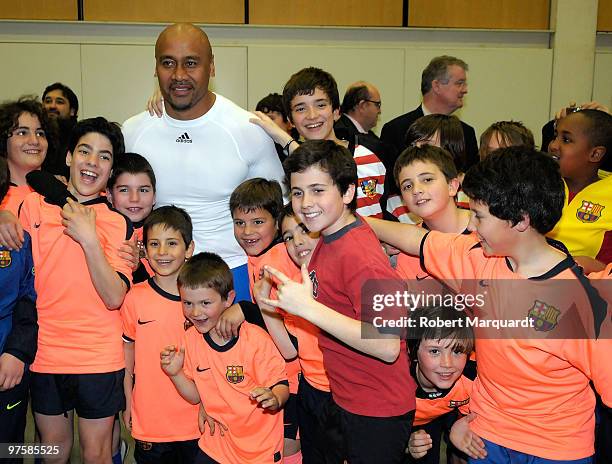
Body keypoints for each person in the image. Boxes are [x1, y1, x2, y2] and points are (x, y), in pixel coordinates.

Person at [365, 147, 611, 463]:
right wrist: (350, 222)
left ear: (519, 221)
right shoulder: (480, 260)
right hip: (486, 439)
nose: (472, 225)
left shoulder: (584, 303)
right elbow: (416, 240)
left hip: (556, 450)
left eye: (479, 216)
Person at [261, 140, 415, 464]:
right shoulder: (328, 237)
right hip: (346, 398)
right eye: (298, 192)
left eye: (318, 190)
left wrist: (308, 308)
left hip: (377, 410)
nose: (305, 203)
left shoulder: (358, 254)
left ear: (347, 193)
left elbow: (387, 344)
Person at [122, 22, 284, 303]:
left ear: (211, 67)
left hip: (234, 274)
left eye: (191, 63)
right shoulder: (134, 130)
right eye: (168, 63)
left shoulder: (246, 129)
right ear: (155, 67)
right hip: (157, 275)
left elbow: (280, 210)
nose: (179, 75)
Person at [20, 117, 132, 464]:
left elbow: (114, 297)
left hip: (98, 356)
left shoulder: (116, 222)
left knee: (97, 453)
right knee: (51, 450)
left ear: (111, 170)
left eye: (104, 156)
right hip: (46, 353)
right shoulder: (32, 207)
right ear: (68, 157)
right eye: (85, 151)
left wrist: (89, 239)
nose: (92, 163)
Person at [160, 252, 289, 464]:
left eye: (205, 303)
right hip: (216, 444)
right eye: (188, 303)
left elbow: (280, 385)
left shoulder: (255, 339)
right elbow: (195, 396)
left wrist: (275, 399)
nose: (195, 312)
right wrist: (175, 373)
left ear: (228, 299)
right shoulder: (190, 339)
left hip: (259, 449)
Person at [254, 204, 344, 464]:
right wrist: (263, 303)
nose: (297, 242)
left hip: (346, 393)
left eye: (303, 230)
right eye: (289, 237)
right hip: (310, 388)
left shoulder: (346, 270)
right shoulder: (296, 285)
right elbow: (290, 351)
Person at [229, 178, 302, 463]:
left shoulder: (281, 258)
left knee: (288, 447)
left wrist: (246, 309)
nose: (247, 232)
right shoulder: (258, 257)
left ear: (277, 221)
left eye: (258, 222)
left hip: (295, 377)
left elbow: (289, 318)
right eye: (239, 222)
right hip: (278, 374)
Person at [121, 206, 201, 464]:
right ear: (144, 249)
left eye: (172, 243)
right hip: (151, 423)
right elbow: (127, 356)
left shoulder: (202, 301)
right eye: (154, 244)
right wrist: (127, 401)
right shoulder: (134, 298)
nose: (163, 252)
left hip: (196, 422)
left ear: (189, 249)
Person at [252, 67, 386, 219]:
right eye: (301, 108)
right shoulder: (290, 169)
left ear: (336, 112)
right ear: (291, 121)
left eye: (320, 105)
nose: (312, 115)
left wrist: (283, 138)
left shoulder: (367, 158)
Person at [0, 156, 38, 464]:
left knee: (9, 448)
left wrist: (17, 351)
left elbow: (28, 296)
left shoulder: (14, 239)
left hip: (7, 363)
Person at [381, 55, 478, 171]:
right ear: (436, 86)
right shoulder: (396, 130)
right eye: (459, 83)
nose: (465, 90)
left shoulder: (466, 133)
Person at [406, 305, 474, 464]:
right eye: (435, 351)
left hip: (440, 415)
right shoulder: (395, 383)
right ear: (413, 351)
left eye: (457, 351)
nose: (447, 364)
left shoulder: (473, 379)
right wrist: (404, 444)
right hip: (400, 424)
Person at [547, 109, 612, 267]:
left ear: (595, 154)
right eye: (555, 136)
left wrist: (593, 267)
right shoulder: (538, 180)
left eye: (566, 140)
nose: (554, 145)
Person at [107, 152, 157, 284]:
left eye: (143, 190)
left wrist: (138, 268)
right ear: (109, 195)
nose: (134, 199)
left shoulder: (165, 232)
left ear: (155, 196)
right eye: (124, 190)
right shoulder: (98, 225)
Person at [0, 98, 53, 215]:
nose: (34, 141)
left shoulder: (65, 191)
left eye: (40, 133)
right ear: (3, 141)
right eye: (22, 133)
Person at [41, 82, 79, 179]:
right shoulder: (36, 136)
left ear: (72, 111)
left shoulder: (79, 136)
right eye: (48, 101)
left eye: (59, 102)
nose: (52, 106)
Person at [255, 93, 299, 162]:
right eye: (261, 118)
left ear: (290, 122)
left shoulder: (305, 149)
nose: (264, 123)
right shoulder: (256, 151)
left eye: (270, 118)